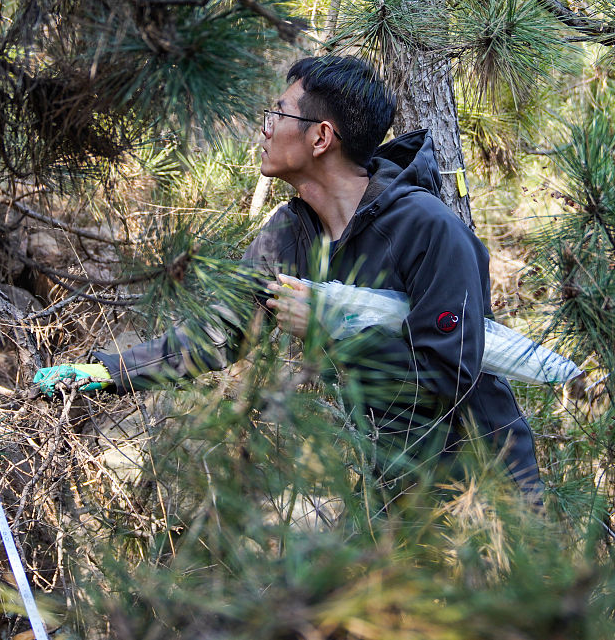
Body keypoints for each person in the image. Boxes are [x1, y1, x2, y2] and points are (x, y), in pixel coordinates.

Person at [35, 55, 541, 497]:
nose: (264, 127)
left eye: (278, 113)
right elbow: (218, 333)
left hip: (488, 488)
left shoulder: (430, 231)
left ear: (321, 138)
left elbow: (445, 376)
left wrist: (328, 325)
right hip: (394, 487)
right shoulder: (291, 235)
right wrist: (108, 371)